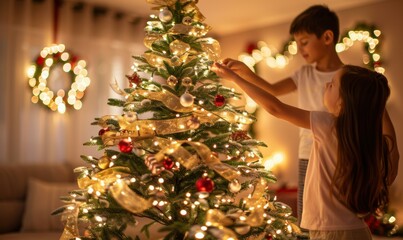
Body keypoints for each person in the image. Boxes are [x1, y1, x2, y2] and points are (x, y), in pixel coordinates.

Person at [211, 63, 400, 240]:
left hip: (329, 232)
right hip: (358, 231)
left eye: (333, 84)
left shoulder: (329, 125)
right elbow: (394, 157)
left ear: (343, 103)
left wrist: (235, 78)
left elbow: (276, 108)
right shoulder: (372, 140)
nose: (327, 84)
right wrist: (376, 103)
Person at [216, 5, 343, 226]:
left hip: (338, 152)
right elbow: (272, 90)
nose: (300, 48)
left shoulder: (347, 77)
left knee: (335, 211)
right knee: (307, 216)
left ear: (327, 37)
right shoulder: (304, 73)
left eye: (304, 42)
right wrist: (245, 71)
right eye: (297, 43)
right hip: (307, 153)